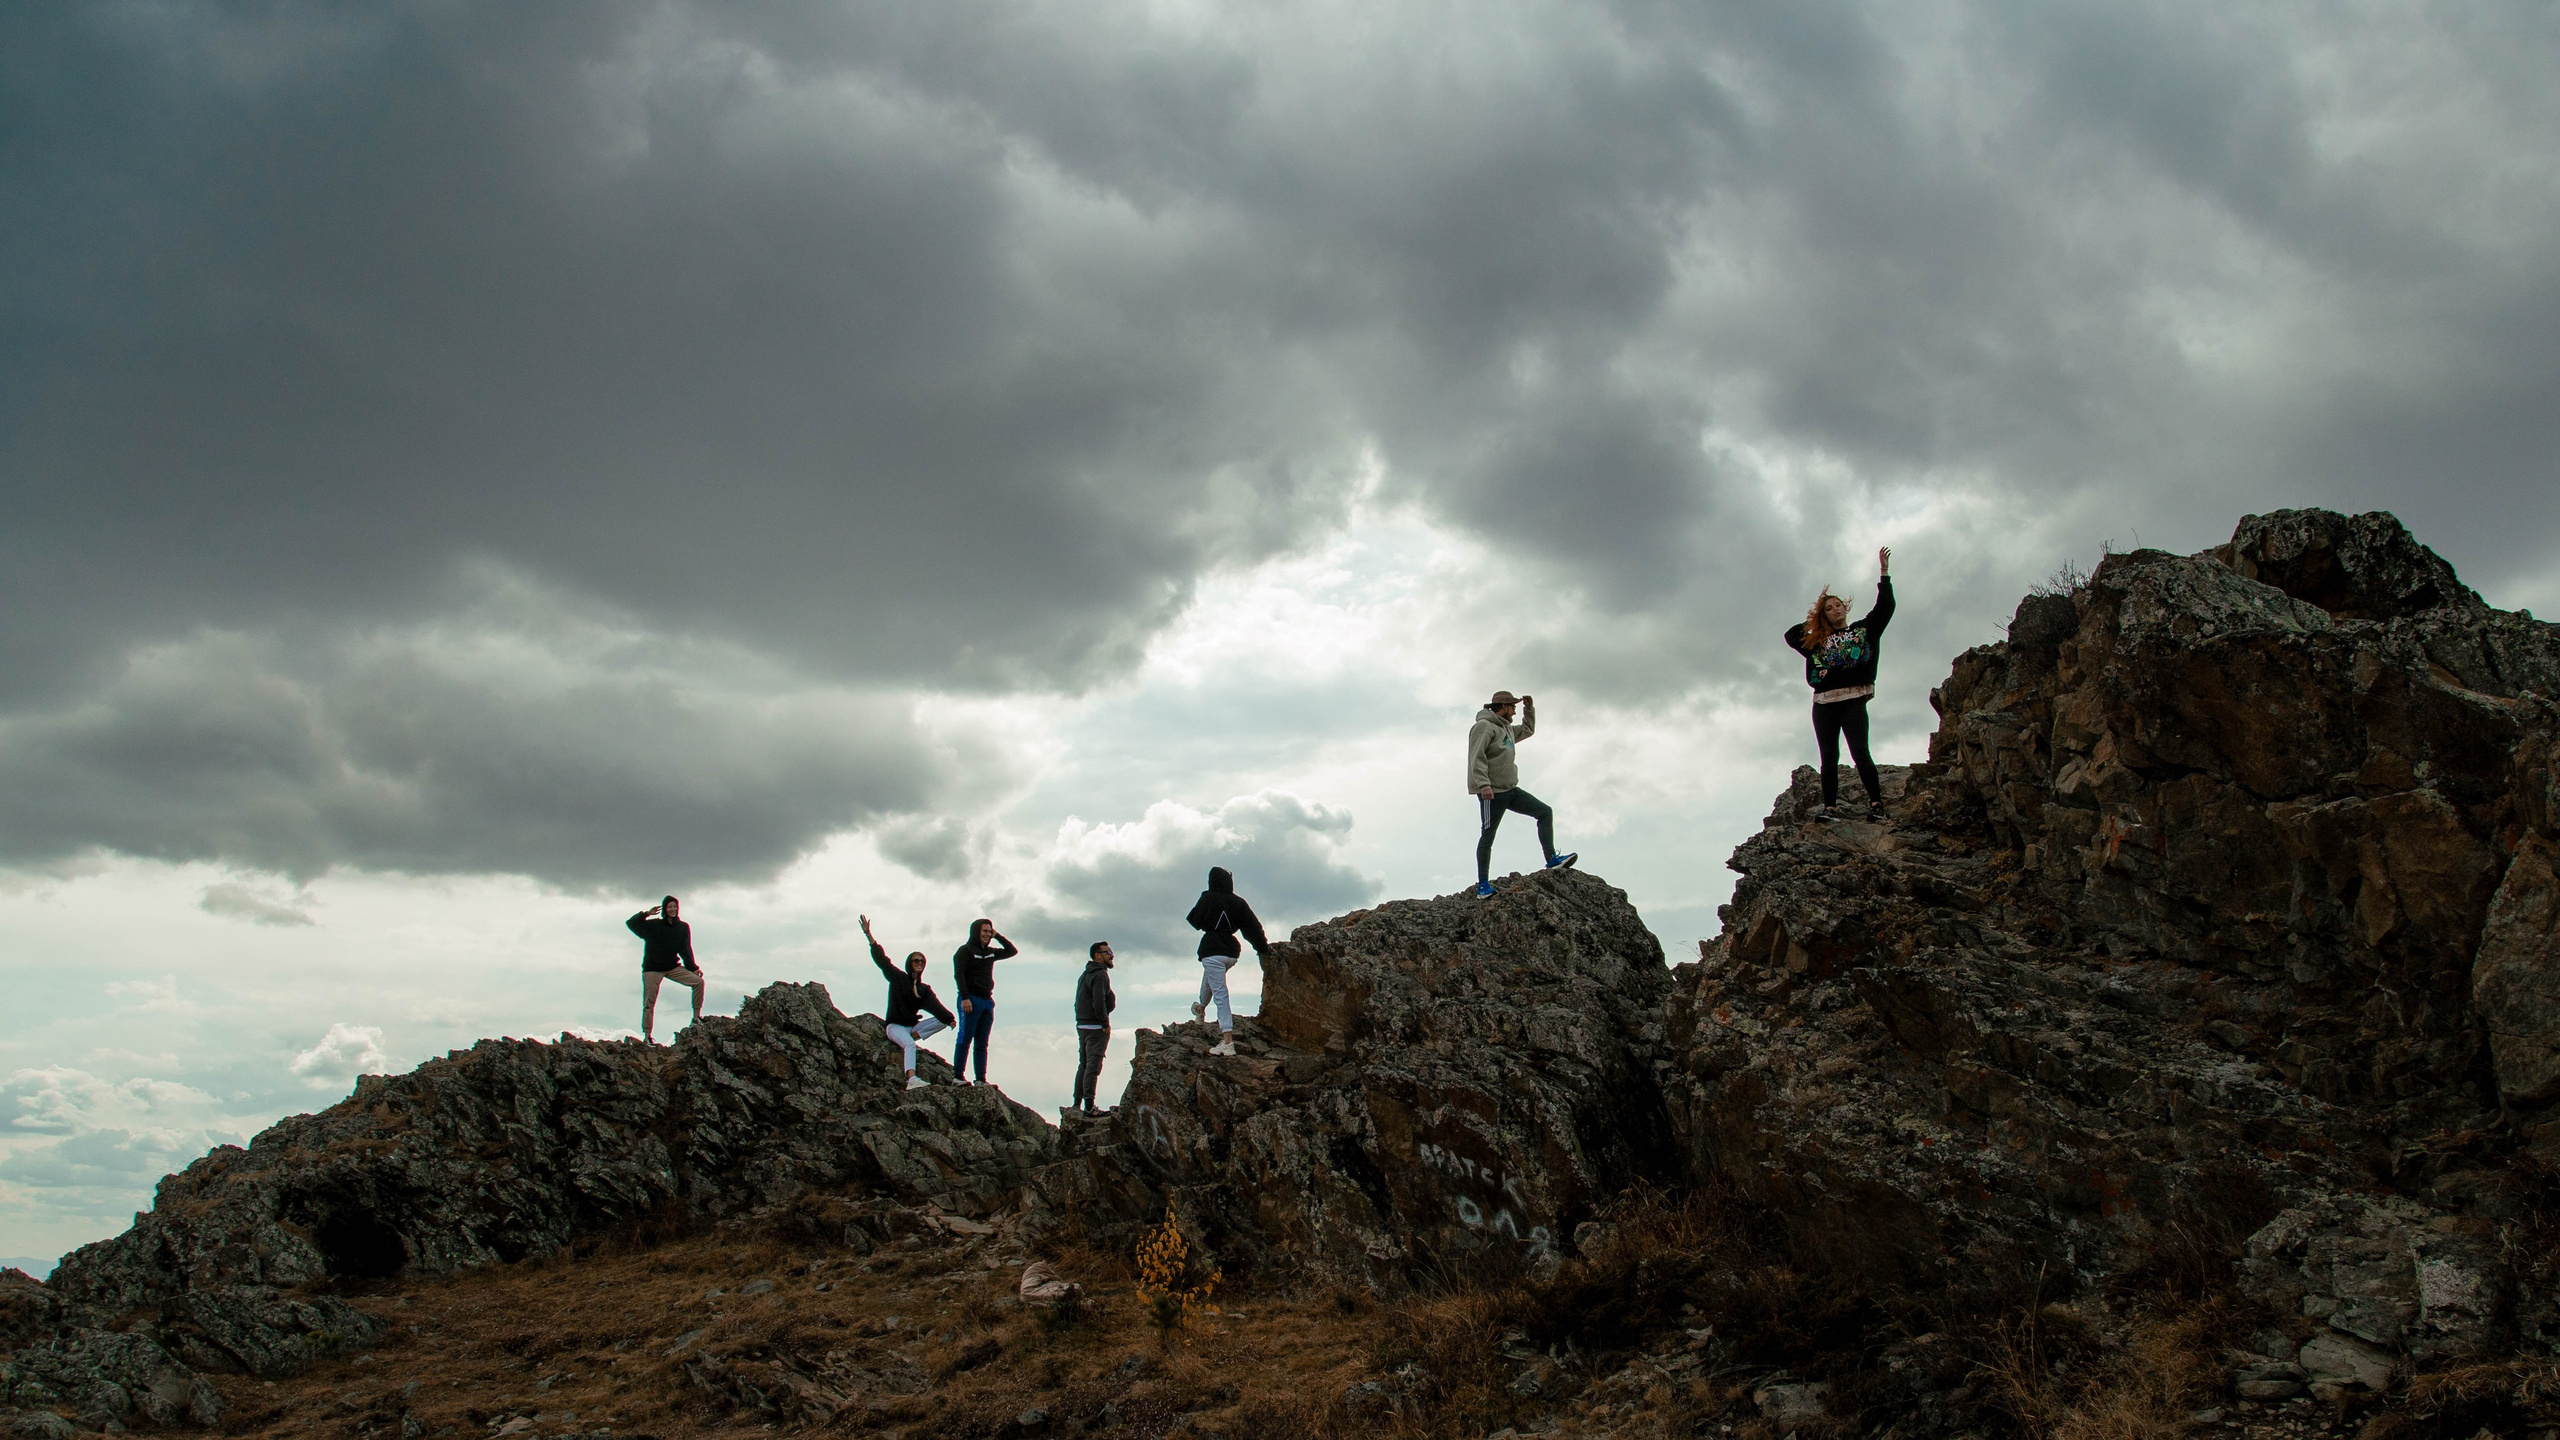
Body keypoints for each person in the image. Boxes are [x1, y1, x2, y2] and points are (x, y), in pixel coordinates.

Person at [1784, 546, 1896, 820]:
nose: (1835, 610)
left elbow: (1885, 608)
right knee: (1829, 757)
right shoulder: (1815, 642)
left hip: (1854, 697)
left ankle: (1877, 806)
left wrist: (1884, 575)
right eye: (1829, 609)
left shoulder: (1863, 631)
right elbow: (1790, 634)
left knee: (1860, 751)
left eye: (1838, 606)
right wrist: (1816, 620)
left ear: (1846, 608)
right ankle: (1830, 808)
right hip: (1824, 702)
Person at [1468, 691, 1577, 899]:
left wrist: (1529, 709)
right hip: (1492, 792)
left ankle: (1552, 859)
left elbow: (1528, 730)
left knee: (1544, 812)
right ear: (1502, 706)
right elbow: (1476, 757)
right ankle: (1482, 885)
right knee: (1488, 835)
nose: (1515, 711)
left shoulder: (1506, 728)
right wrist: (1484, 785)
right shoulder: (1483, 727)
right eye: (1513, 707)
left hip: (1510, 789)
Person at [861, 914, 955, 1089]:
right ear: (909, 963)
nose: (919, 963)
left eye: (922, 961)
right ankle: (911, 1080)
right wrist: (869, 936)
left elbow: (936, 1007)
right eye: (916, 960)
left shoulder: (923, 989)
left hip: (911, 1028)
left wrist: (949, 1018)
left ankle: (911, 1037)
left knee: (941, 1020)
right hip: (895, 1026)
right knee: (910, 1045)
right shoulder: (898, 978)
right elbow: (882, 960)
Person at [1184, 866, 1268, 1058]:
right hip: (1231, 953)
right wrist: (1263, 949)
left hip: (1212, 949)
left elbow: (1194, 920)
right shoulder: (1239, 903)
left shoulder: (1208, 897)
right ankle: (1200, 1010)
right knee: (1210, 980)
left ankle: (1227, 1042)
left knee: (1220, 992)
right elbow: (1253, 928)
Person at [948, 918, 1019, 1088]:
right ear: (976, 932)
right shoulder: (964, 951)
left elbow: (1012, 951)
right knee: (965, 1037)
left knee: (982, 1042)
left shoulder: (991, 952)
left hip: (987, 1001)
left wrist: (997, 935)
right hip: (970, 999)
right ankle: (958, 1076)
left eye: (989, 931)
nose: (987, 934)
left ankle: (980, 1078)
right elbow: (959, 975)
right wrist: (964, 997)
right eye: (984, 931)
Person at [627, 896, 704, 1043]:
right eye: (669, 907)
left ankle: (696, 1018)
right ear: (664, 909)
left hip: (672, 967)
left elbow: (685, 949)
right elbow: (631, 923)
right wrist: (646, 914)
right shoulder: (653, 925)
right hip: (652, 968)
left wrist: (693, 968)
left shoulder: (682, 927)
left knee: (698, 982)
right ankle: (647, 1036)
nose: (673, 909)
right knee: (649, 1002)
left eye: (675, 906)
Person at [1072, 941, 1117, 1115]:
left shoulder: (1085, 974)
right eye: (1108, 952)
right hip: (1095, 1026)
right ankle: (1089, 1107)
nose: (1111, 955)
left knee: (1083, 1064)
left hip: (1082, 1024)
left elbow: (1079, 1001)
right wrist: (1105, 1023)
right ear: (1097, 955)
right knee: (1093, 1066)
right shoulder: (1100, 975)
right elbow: (1098, 1001)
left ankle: (1077, 1104)